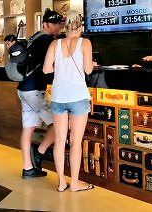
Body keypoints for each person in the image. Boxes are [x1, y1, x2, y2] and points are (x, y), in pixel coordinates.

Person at [43, 10, 96, 192]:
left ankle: (61, 183)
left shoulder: (55, 44)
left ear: (65, 27)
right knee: (75, 142)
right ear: (80, 27)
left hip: (58, 97)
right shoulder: (85, 43)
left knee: (59, 141)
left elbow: (46, 70)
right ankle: (74, 183)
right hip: (78, 97)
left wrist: (61, 66)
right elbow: (88, 70)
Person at [16, 9, 62, 179]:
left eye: (59, 24)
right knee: (60, 122)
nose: (58, 27)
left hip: (23, 89)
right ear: (46, 24)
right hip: (34, 90)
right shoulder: (48, 41)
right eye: (55, 24)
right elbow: (50, 67)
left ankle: (28, 168)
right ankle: (39, 152)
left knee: (28, 129)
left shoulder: (34, 37)